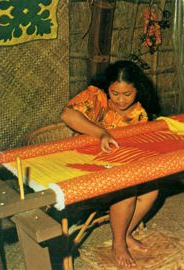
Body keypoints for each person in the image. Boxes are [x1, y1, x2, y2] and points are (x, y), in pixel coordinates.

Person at [61, 60, 160, 267]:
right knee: (126, 192)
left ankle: (124, 234)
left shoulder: (140, 113)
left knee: (151, 191)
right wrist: (102, 133)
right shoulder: (97, 97)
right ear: (108, 88)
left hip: (116, 165)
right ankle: (119, 244)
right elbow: (67, 114)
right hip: (83, 166)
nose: (121, 100)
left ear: (137, 91)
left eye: (127, 94)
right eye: (115, 93)